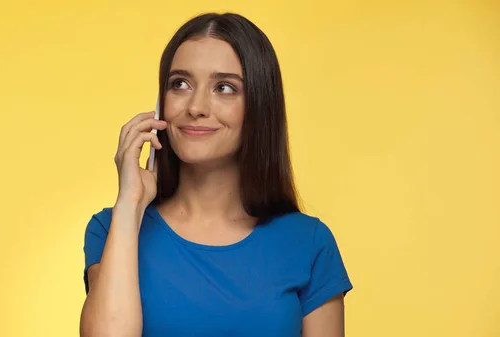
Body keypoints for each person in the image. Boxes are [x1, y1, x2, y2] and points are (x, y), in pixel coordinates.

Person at [79, 12, 353, 337]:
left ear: (259, 106)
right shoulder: (112, 230)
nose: (196, 107)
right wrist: (130, 204)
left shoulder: (309, 243)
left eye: (224, 88)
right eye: (180, 84)